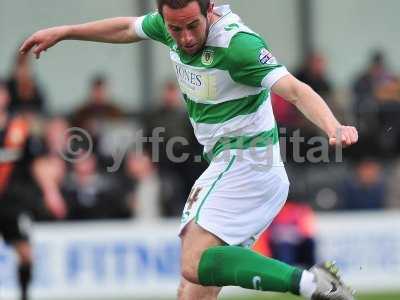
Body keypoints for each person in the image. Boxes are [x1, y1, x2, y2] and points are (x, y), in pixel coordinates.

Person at [20, 1, 359, 299]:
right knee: (194, 292)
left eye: (193, 26)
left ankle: (311, 284)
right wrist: (65, 31)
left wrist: (333, 126)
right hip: (231, 165)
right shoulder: (172, 24)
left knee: (193, 263)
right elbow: (126, 27)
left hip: (247, 165)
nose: (185, 38)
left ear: (209, 9)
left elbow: (296, 90)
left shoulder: (237, 44)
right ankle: (312, 283)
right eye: (175, 28)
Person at [0, 80, 65, 300]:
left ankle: (24, 295)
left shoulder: (20, 130)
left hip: (14, 202)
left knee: (26, 254)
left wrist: (51, 192)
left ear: (7, 97)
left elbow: (37, 163)